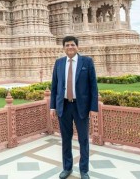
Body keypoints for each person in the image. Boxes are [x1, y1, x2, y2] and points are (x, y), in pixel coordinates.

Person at [50, 36, 99, 179]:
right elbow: (54, 87)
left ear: (77, 47)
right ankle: (67, 168)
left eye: (72, 45)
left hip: (81, 106)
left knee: (83, 139)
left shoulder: (87, 62)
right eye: (67, 45)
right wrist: (52, 106)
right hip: (63, 106)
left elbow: (93, 87)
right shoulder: (59, 63)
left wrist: (93, 108)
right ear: (63, 48)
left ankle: (84, 170)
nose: (70, 47)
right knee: (66, 139)